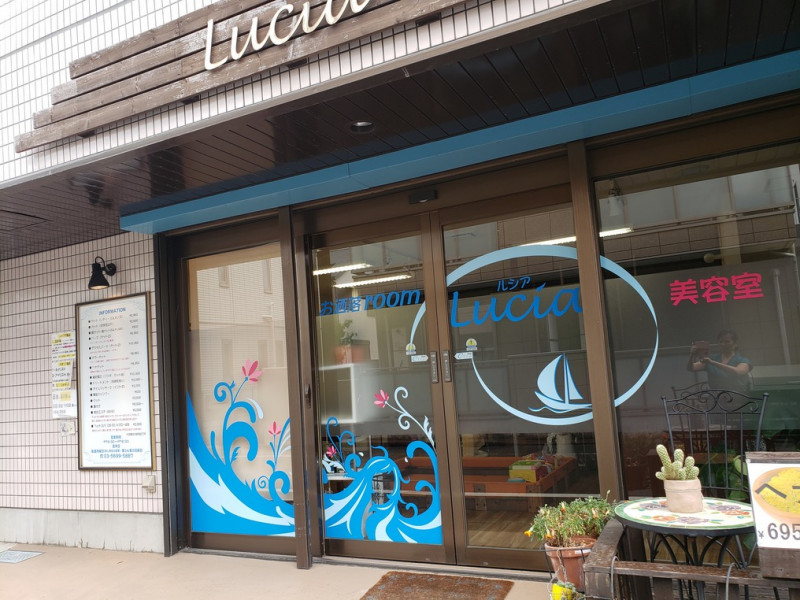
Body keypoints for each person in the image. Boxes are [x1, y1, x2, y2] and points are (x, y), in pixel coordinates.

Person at [687, 330, 752, 392]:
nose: (723, 344)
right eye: (721, 342)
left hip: (737, 395)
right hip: (716, 395)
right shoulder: (711, 358)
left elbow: (737, 372)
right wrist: (692, 355)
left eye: (727, 341)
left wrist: (713, 362)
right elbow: (691, 368)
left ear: (735, 343)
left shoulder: (742, 360)